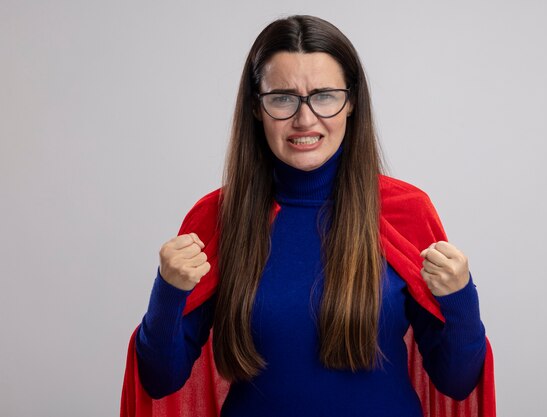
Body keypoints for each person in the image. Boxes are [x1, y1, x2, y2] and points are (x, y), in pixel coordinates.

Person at [121, 15, 495, 417]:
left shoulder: (406, 211)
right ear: (255, 106)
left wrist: (460, 299)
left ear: (351, 102)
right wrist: (167, 292)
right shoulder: (216, 217)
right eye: (282, 97)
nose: (304, 118)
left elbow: (457, 382)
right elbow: (160, 379)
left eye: (324, 95)